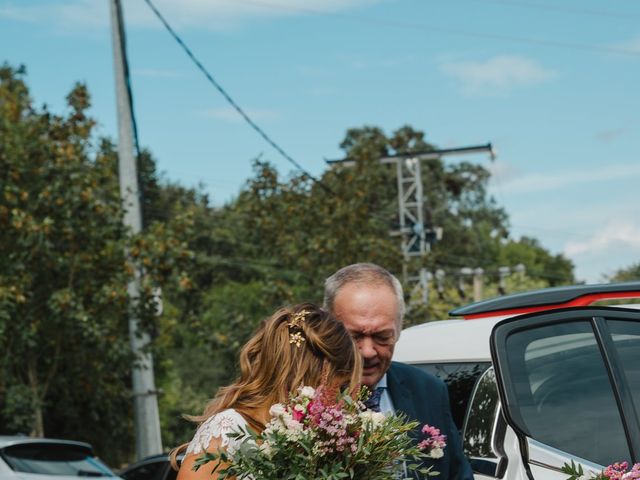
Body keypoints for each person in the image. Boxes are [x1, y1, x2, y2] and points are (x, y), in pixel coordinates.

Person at [173, 303, 362, 480]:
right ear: (312, 376)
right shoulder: (226, 431)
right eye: (339, 388)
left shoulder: (309, 446)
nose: (339, 405)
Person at [324, 263, 473, 480]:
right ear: (329, 329)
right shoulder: (303, 399)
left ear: (399, 329)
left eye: (382, 337)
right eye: (353, 336)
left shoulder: (428, 391)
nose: (367, 352)